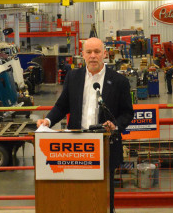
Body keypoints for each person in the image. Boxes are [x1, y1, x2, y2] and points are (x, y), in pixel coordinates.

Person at [37, 37, 134, 213]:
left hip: (105, 147)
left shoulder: (119, 81)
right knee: (76, 195)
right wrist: (48, 121)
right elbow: (61, 105)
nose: (93, 56)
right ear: (82, 55)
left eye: (97, 52)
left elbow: (127, 113)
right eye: (89, 52)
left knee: (103, 199)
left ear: (105, 54)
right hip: (77, 149)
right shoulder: (73, 77)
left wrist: (115, 125)